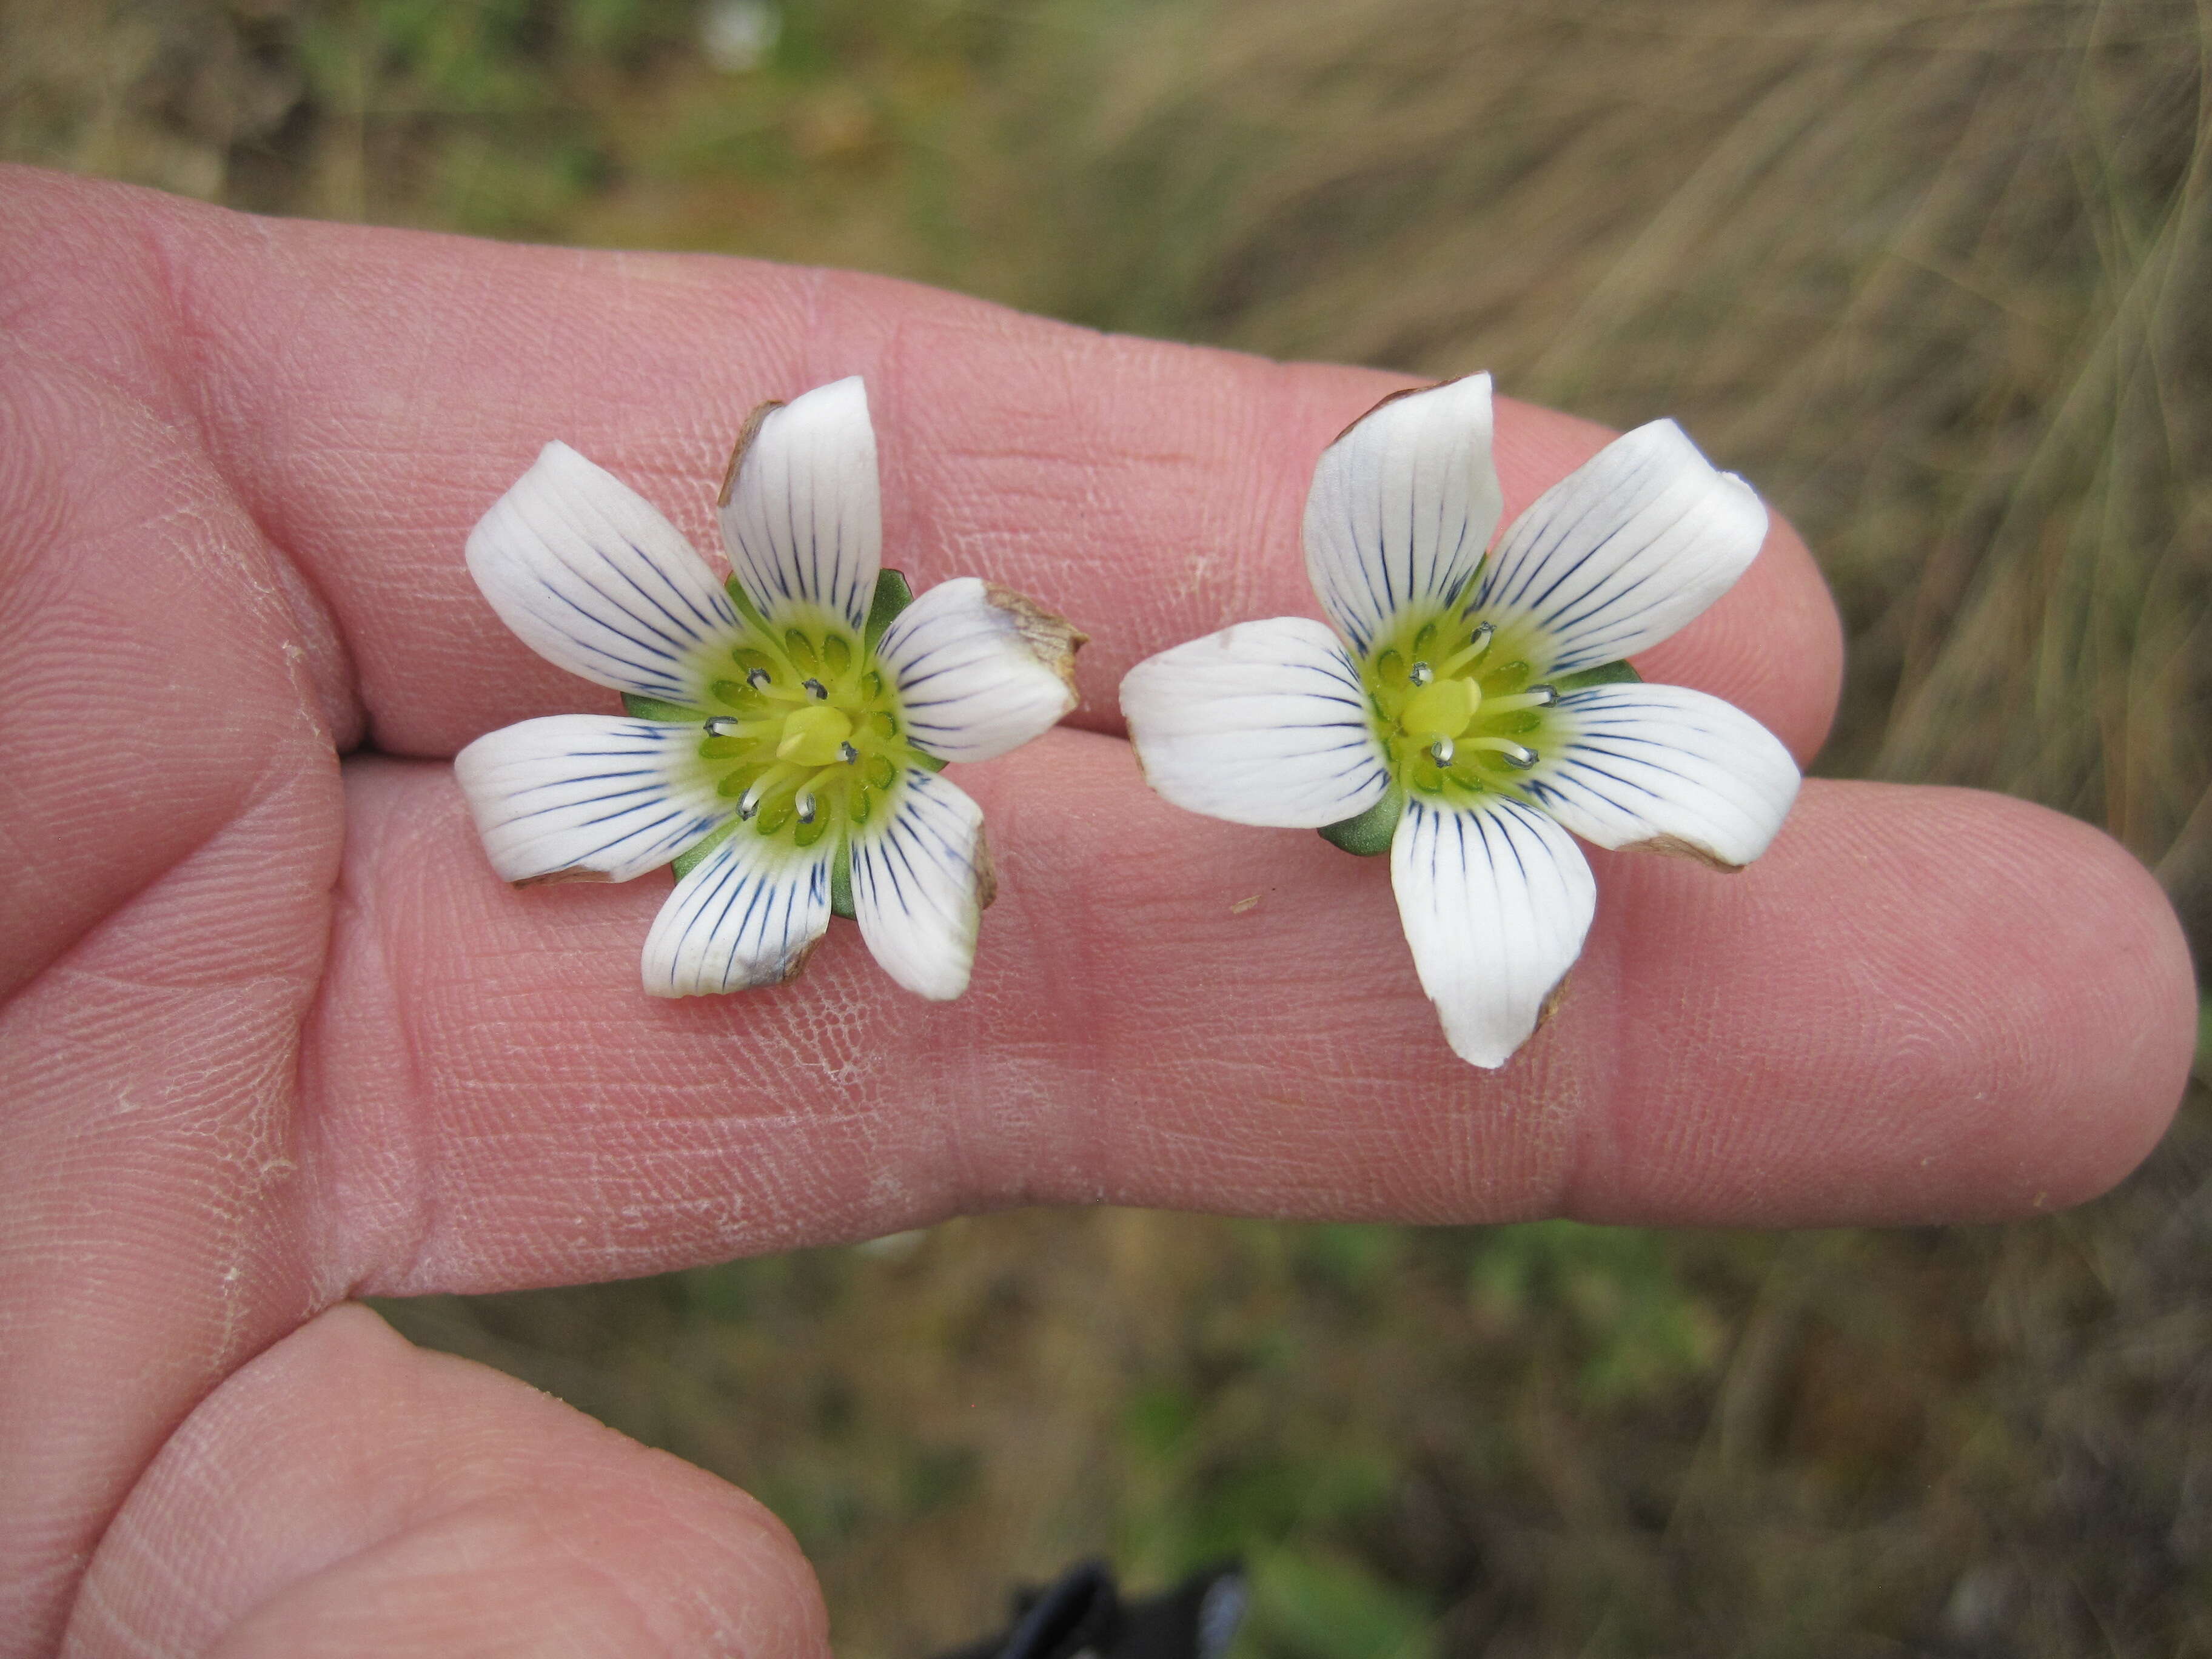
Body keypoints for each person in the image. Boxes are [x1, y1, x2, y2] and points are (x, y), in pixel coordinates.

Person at [0, 164, 2193, 1658]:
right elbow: (742, 872)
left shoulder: (1430, 733)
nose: (801, 723)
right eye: (1433, 692)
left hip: (1203, 785)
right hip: (942, 810)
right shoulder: (945, 738)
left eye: (1469, 702)